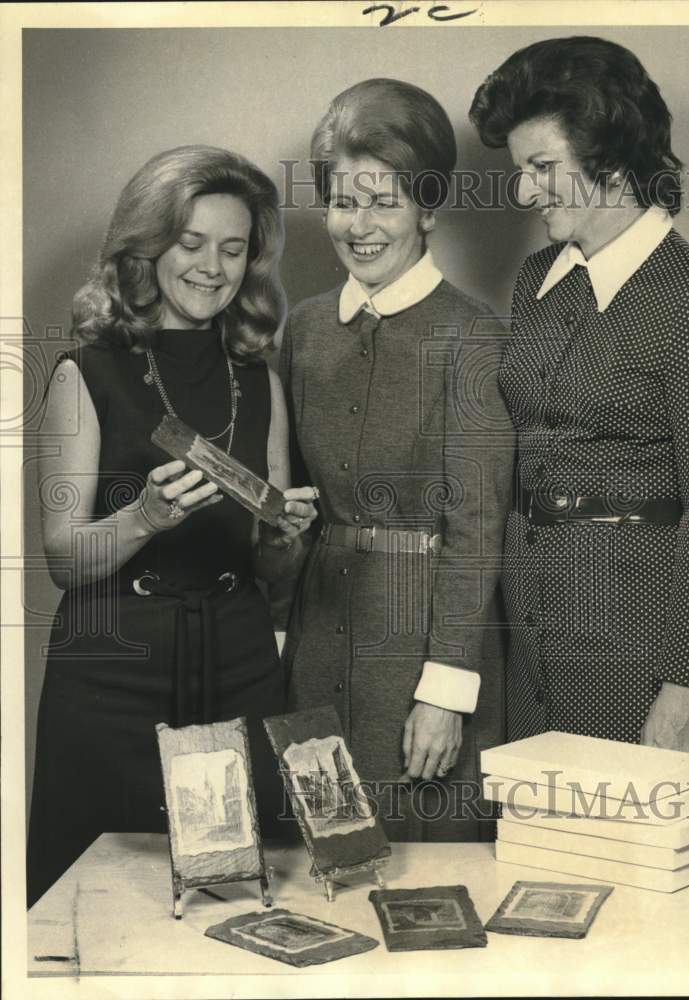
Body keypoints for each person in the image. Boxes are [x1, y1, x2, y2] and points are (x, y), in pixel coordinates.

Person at [469, 36, 689, 902]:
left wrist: (682, 691)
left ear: (611, 153)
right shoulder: (535, 281)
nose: (524, 191)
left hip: (640, 631)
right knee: (546, 870)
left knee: (643, 882)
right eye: (520, 169)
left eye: (543, 167)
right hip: (534, 625)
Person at [27, 145, 318, 907]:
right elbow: (62, 560)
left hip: (238, 662)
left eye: (232, 249)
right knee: (95, 899)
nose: (211, 268)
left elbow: (272, 569)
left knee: (248, 896)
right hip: (112, 670)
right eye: (190, 245)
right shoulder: (83, 372)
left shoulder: (259, 379)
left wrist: (284, 540)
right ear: (146, 247)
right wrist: (142, 518)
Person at [279, 79, 513, 841]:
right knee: (321, 866)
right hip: (318, 641)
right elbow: (292, 508)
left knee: (425, 875)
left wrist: (444, 691)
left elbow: (477, 526)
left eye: (384, 200)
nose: (360, 225)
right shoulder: (305, 330)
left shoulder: (471, 335)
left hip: (421, 653)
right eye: (344, 201)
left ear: (427, 207)